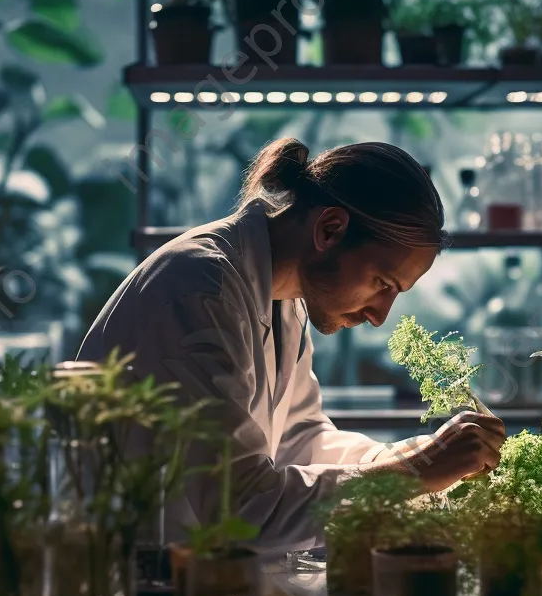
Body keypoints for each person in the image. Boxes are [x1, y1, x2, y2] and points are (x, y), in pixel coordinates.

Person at [77, 137, 505, 549]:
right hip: (134, 584)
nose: (379, 317)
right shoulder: (199, 289)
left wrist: (420, 456)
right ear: (330, 229)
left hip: (195, 578)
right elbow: (243, 509)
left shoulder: (285, 299)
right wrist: (413, 473)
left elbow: (300, 443)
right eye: (381, 284)